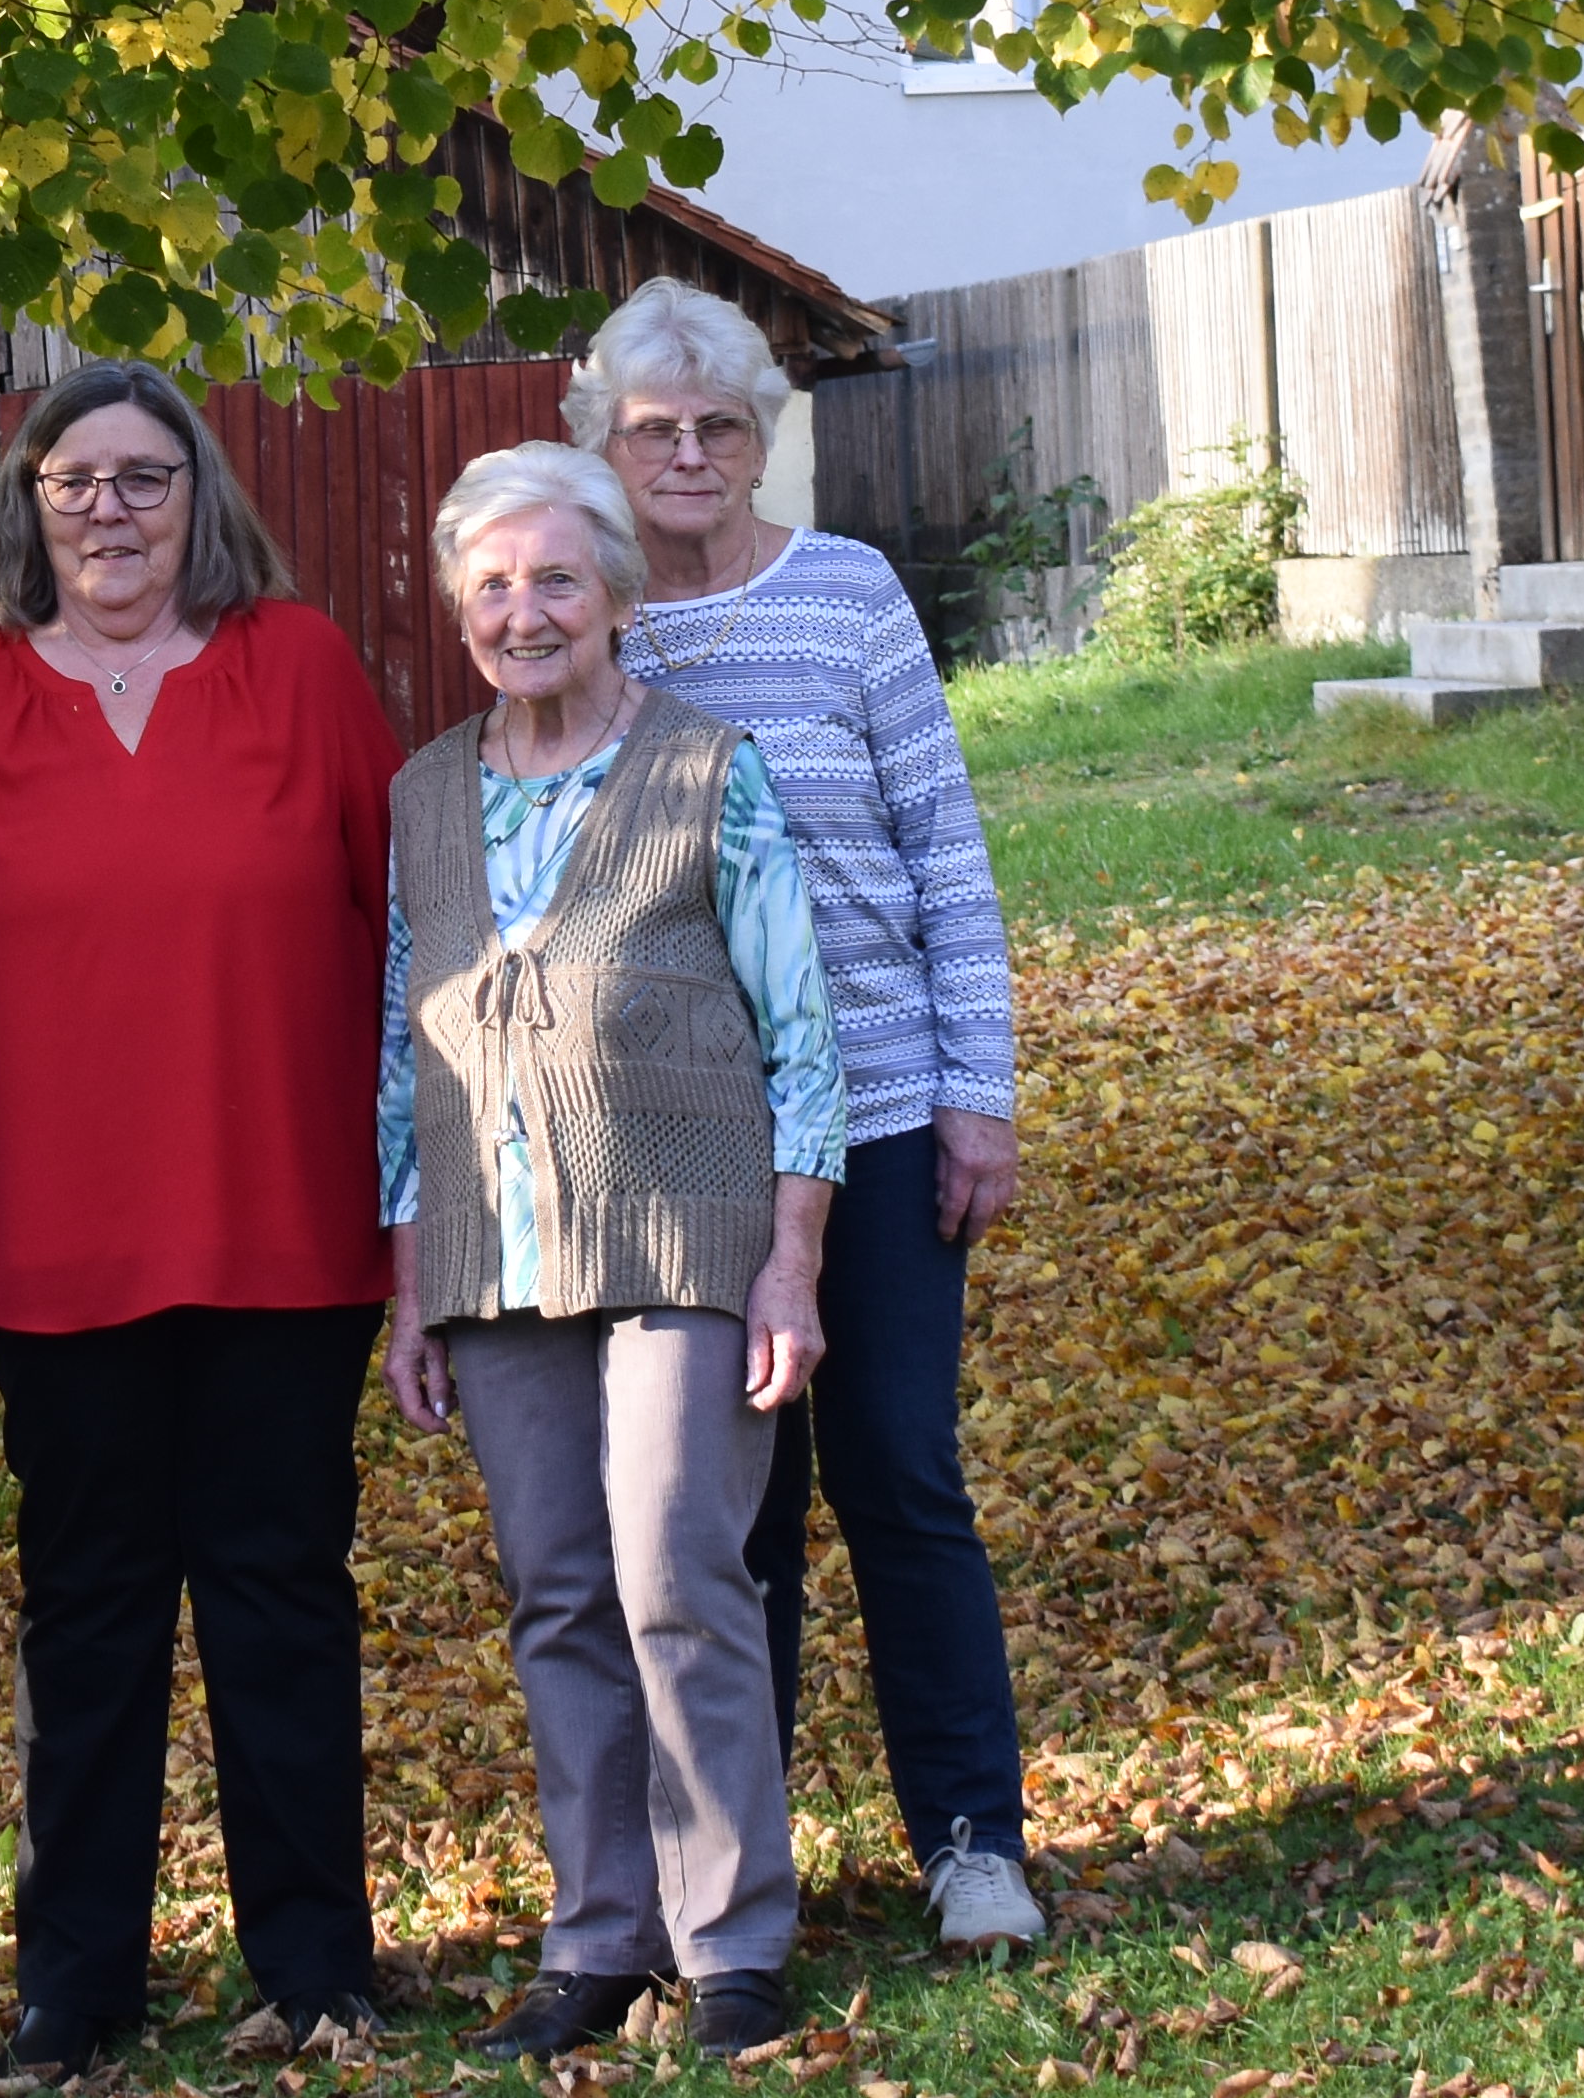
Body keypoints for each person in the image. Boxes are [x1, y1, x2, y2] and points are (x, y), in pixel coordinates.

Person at [0, 361, 407, 2069]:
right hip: (55, 1242)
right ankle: (76, 1986)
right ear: (25, 504)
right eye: (73, 479)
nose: (109, 508)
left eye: (143, 477)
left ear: (201, 495)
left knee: (280, 1595)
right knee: (87, 1612)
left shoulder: (301, 669)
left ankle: (318, 1965)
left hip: (283, 1219)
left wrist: (423, 1211)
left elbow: (408, 945)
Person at [574, 275, 1049, 1950]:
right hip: (696, 1145)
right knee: (725, 1517)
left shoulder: (848, 598)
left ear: (761, 434)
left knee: (903, 1476)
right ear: (606, 447)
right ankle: (738, 1872)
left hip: (892, 1113)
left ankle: (973, 1841)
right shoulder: (595, 623)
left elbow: (948, 857)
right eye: (656, 430)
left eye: (719, 425)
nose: (690, 453)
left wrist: (980, 1097)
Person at [384, 442, 846, 2063]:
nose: (524, 612)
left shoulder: (709, 769)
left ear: (616, 599)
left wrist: (791, 1264)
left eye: (556, 579)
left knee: (673, 1573)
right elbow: (403, 1046)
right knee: (558, 1591)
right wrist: (409, 1280)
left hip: (686, 1232)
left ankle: (732, 1939)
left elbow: (805, 1029)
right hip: (496, 1252)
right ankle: (597, 1939)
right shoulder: (424, 790)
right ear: (458, 613)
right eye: (492, 587)